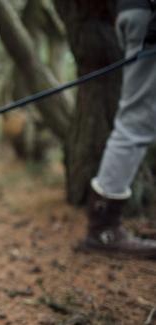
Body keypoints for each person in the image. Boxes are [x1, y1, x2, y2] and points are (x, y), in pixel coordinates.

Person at [81, 0, 156, 258]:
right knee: (137, 121)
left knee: (137, 119)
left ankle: (104, 228)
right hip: (147, 14)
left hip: (136, 12)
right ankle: (104, 230)